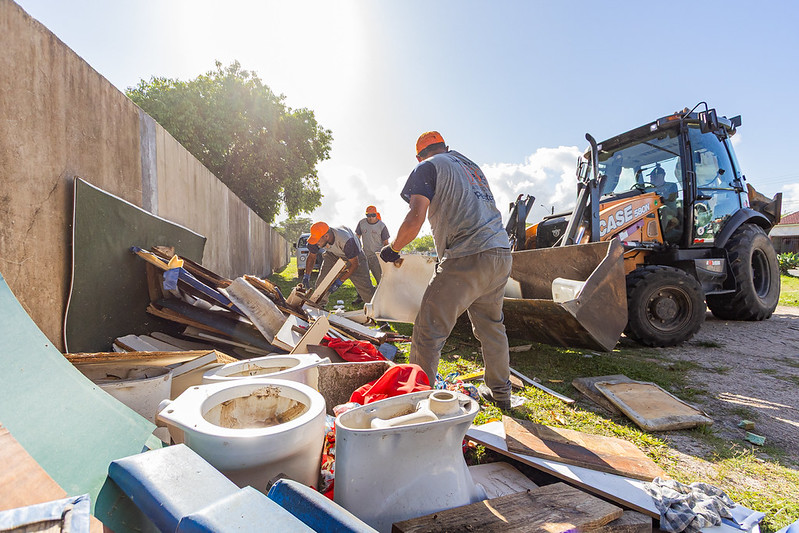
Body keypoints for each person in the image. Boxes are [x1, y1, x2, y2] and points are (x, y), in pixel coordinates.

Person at [379, 131, 513, 410]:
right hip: (500, 254)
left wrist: (393, 248)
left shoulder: (428, 166)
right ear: (445, 147)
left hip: (467, 255)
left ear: (419, 155)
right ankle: (501, 393)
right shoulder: (470, 166)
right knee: (491, 328)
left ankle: (416, 402)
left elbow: (415, 217)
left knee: (428, 331)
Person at [304, 222, 375, 306]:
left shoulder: (346, 240)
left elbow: (355, 264)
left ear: (326, 236)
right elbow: (312, 257)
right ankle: (319, 306)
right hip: (333, 254)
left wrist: (340, 281)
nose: (316, 244)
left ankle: (377, 309)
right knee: (322, 283)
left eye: (317, 241)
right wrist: (307, 275)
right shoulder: (317, 239)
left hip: (355, 257)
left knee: (366, 290)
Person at [355, 205, 390, 285]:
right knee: (362, 278)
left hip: (376, 256)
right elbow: (357, 237)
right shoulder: (362, 223)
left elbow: (386, 243)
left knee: (380, 278)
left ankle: (383, 295)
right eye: (368, 215)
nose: (370, 217)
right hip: (365, 255)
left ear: (376, 214)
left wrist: (385, 258)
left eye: (373, 215)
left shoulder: (382, 226)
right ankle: (361, 296)